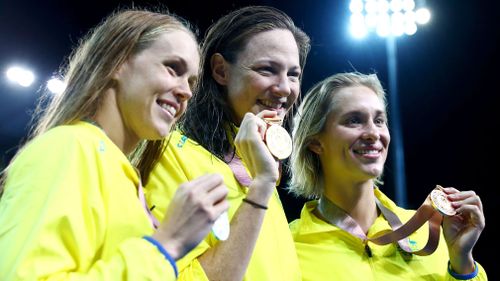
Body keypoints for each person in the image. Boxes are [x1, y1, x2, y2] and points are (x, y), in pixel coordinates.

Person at [0, 9, 228, 280]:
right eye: (172, 68)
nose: (186, 91)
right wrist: (166, 245)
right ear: (117, 63)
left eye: (190, 81)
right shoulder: (69, 146)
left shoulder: (122, 175)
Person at [145, 5, 310, 281]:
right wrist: (262, 186)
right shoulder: (170, 152)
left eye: (293, 74)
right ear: (221, 70)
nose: (285, 88)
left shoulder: (258, 165)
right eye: (267, 69)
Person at [288, 72, 487, 280]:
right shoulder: (288, 245)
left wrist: (461, 262)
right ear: (315, 142)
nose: (374, 133)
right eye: (354, 120)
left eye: (379, 120)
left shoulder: (430, 232)